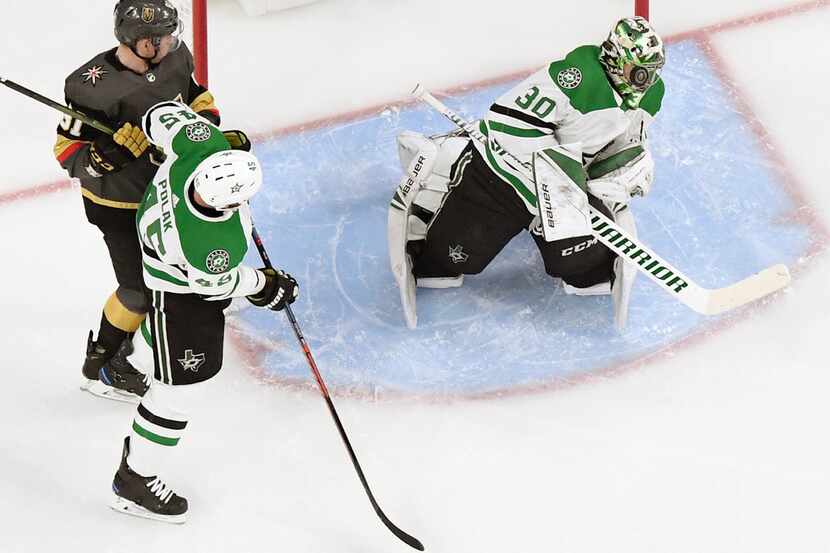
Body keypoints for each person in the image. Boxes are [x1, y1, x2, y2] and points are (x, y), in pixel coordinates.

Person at [388, 16, 666, 330]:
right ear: (616, 60)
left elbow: (624, 143)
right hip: (501, 180)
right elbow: (506, 124)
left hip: (563, 189)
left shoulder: (652, 94)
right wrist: (556, 176)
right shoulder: (574, 78)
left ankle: (588, 261)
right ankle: (445, 172)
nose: (646, 81)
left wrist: (625, 169)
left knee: (583, 268)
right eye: (640, 72)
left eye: (653, 71)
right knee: (450, 260)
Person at [106, 100, 299, 523]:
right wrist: (265, 285)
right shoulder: (210, 246)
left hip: (157, 263)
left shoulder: (198, 145)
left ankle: (128, 365)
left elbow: (157, 113)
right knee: (180, 393)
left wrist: (165, 145)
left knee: (158, 331)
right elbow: (216, 286)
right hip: (180, 296)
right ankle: (134, 479)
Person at [54, 0, 227, 402]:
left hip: (166, 190)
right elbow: (67, 153)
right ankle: (102, 366)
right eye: (160, 37)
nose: (170, 41)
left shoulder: (176, 56)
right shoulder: (88, 86)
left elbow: (196, 96)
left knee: (174, 274)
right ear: (139, 42)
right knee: (137, 290)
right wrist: (104, 157)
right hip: (116, 204)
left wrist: (205, 127)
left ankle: (156, 332)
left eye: (170, 33)